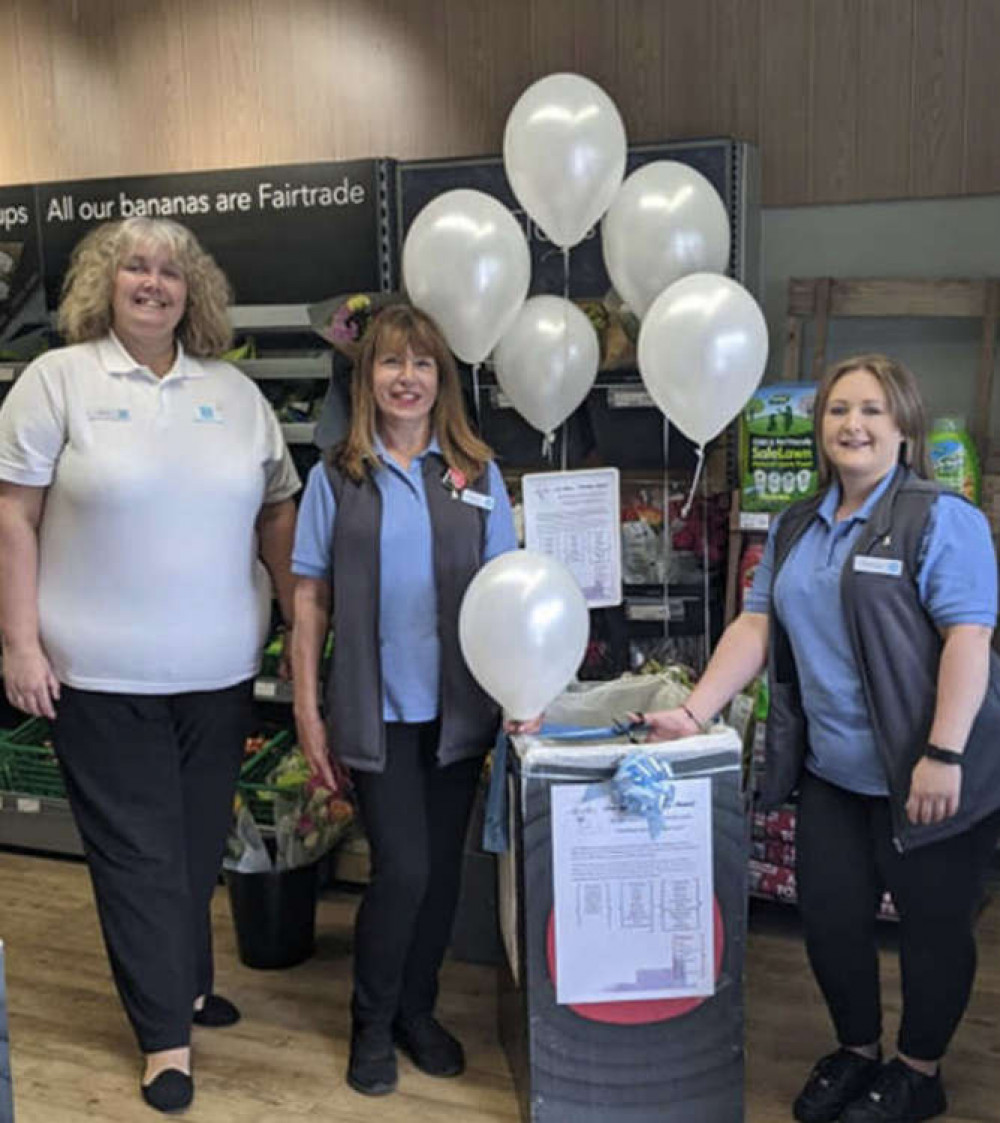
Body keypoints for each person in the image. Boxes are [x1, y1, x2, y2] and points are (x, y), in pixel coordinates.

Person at [641, 354, 1000, 1123]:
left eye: (872, 409)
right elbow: (757, 621)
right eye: (839, 410)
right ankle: (858, 1050)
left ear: (902, 425)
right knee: (832, 920)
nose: (854, 424)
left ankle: (918, 1070)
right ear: (820, 427)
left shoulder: (942, 518)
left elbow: (970, 637)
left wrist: (944, 753)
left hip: (924, 773)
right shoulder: (799, 522)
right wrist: (696, 711)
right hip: (833, 772)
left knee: (934, 930)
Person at [0, 217, 300, 1114]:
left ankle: (190, 982)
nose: (153, 282)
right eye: (135, 265)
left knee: (195, 842)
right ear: (105, 281)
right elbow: (11, 516)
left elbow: (278, 506)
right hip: (98, 673)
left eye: (172, 271)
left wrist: (292, 608)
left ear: (193, 292)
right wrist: (18, 643)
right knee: (137, 857)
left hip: (216, 669)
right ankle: (166, 1039)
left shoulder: (234, 393)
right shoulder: (60, 382)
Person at [291, 304, 519, 1096]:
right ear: (367, 377)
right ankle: (372, 1019)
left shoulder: (476, 473)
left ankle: (418, 1010)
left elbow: (508, 594)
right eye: (391, 362)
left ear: (442, 380)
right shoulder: (336, 475)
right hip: (375, 710)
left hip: (459, 711)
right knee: (404, 873)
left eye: (423, 364)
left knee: (443, 879)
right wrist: (308, 710)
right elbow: (310, 599)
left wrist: (521, 691)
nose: (407, 378)